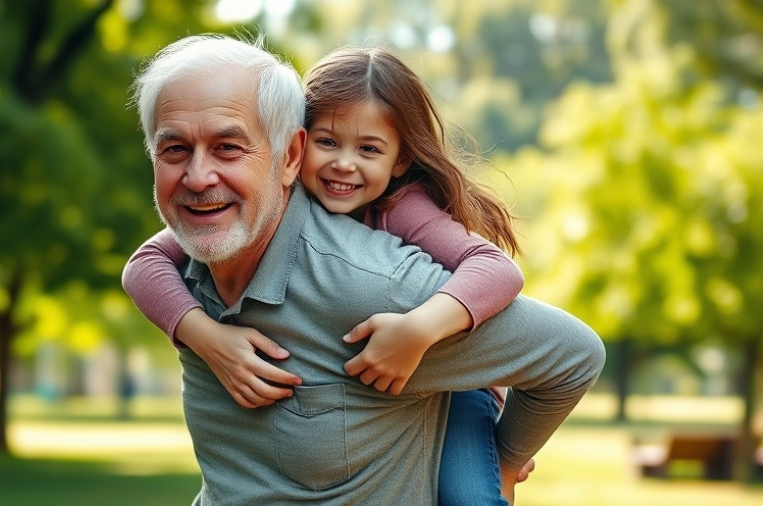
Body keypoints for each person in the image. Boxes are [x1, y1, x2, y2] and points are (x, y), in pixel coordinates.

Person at [125, 34, 605, 505]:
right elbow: (143, 264)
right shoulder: (220, 232)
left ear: (285, 156)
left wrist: (503, 452)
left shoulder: (389, 252)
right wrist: (204, 336)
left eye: (229, 147)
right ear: (302, 148)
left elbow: (512, 287)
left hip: (462, 373)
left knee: (471, 494)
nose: (343, 165)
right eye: (328, 142)